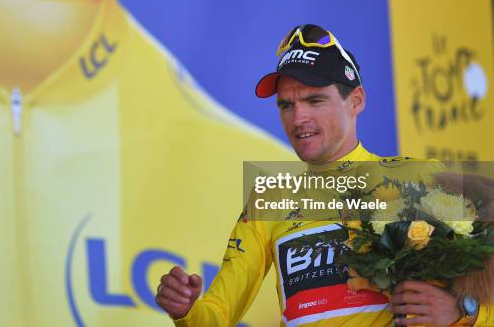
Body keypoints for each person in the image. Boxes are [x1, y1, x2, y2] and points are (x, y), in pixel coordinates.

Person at [155, 24, 492, 326]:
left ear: (356, 101)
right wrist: (186, 311)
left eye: (314, 100)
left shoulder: (421, 176)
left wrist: (465, 310)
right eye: (286, 105)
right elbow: (217, 315)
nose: (298, 117)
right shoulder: (269, 197)